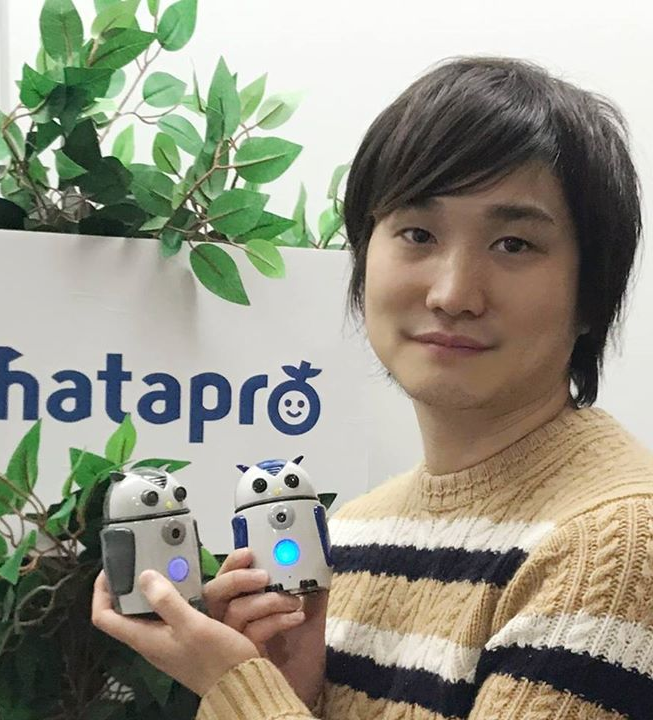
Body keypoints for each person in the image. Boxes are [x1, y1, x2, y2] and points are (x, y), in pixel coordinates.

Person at [92, 56, 653, 719]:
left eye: (513, 245)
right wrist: (295, 690)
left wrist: (235, 686)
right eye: (417, 234)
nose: (452, 293)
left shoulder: (615, 543)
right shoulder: (354, 532)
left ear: (591, 292)